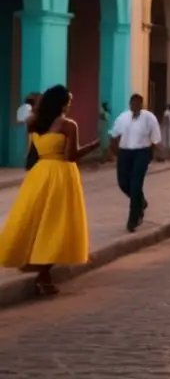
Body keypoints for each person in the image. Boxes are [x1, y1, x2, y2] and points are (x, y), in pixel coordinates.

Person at [0, 85, 98, 295]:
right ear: (62, 103)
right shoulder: (68, 125)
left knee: (34, 219)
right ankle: (44, 275)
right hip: (61, 175)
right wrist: (93, 147)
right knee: (56, 224)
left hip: (39, 173)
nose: (70, 105)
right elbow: (70, 156)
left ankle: (33, 263)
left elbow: (32, 152)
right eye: (68, 101)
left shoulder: (33, 123)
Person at [108, 93, 161, 233]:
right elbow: (113, 135)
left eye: (139, 104)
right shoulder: (123, 118)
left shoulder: (149, 118)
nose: (136, 106)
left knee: (136, 184)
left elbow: (155, 139)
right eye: (133, 103)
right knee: (123, 183)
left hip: (141, 152)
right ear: (130, 104)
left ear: (142, 105)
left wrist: (151, 154)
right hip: (125, 152)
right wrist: (114, 152)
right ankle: (141, 202)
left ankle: (133, 219)